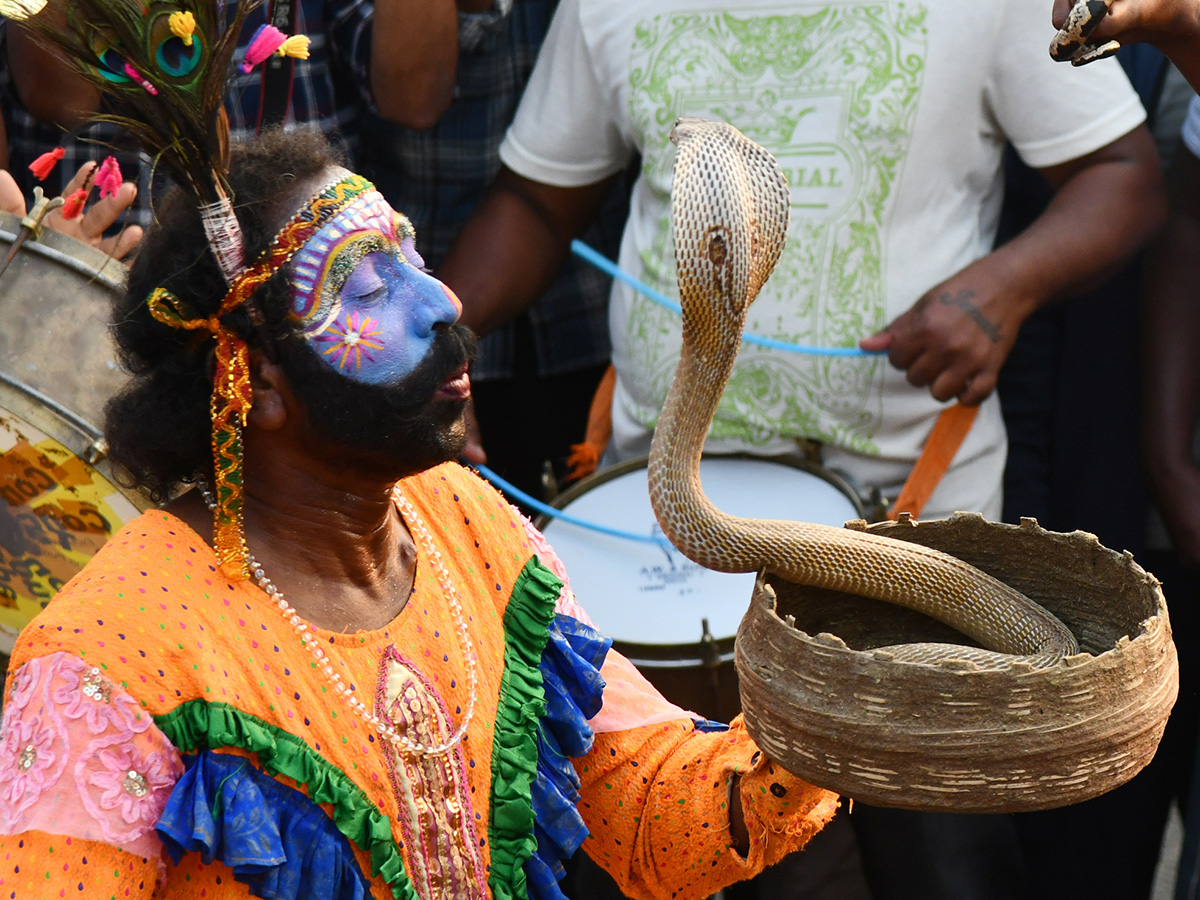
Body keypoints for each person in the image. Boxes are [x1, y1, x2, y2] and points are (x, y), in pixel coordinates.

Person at [434, 1, 1166, 897]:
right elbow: (537, 201)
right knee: (682, 836)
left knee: (934, 867)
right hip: (666, 538)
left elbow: (1123, 173)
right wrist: (435, 348)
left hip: (911, 510)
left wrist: (1000, 290)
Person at [0, 126, 838, 900]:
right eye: (369, 284)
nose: (443, 301)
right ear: (256, 380)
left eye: (411, 253)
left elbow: (652, 808)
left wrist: (825, 719)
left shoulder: (465, 517)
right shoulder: (103, 660)